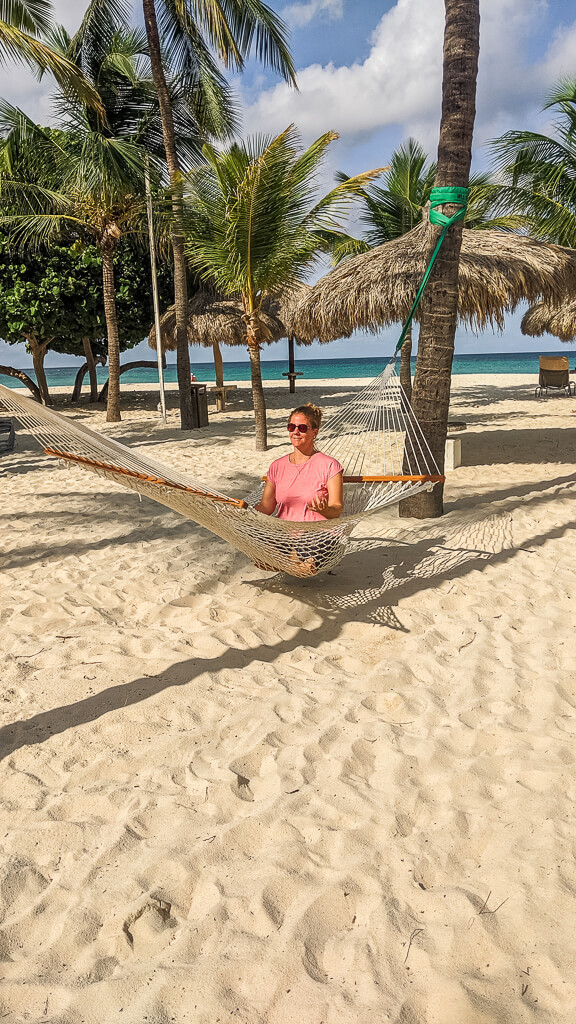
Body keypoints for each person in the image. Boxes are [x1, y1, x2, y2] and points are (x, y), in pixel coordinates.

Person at [254, 403, 344, 574]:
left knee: (314, 545)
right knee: (256, 548)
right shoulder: (277, 466)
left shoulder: (329, 465)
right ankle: (296, 564)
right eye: (291, 427)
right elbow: (266, 507)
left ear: (314, 432)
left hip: (317, 535)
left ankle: (293, 562)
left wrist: (324, 510)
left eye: (302, 428)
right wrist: (242, 511)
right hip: (286, 534)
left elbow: (337, 509)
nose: (295, 431)